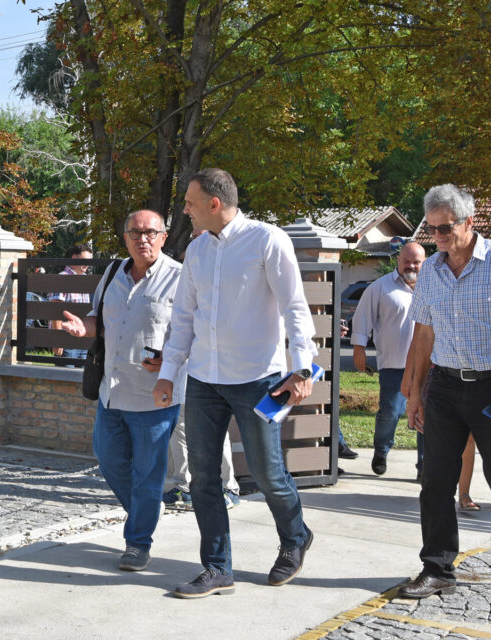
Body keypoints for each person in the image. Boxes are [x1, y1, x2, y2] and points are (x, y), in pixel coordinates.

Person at [153, 168, 317, 598]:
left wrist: (302, 369)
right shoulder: (195, 250)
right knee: (203, 478)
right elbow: (184, 318)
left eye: (189, 203)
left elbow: (296, 308)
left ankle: (296, 536)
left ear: (213, 203)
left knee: (267, 473)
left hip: (258, 380)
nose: (184, 210)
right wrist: (169, 373)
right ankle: (217, 567)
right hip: (204, 380)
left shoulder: (267, 240)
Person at [397, 184, 491, 599]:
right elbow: (424, 334)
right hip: (444, 387)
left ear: (468, 222)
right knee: (435, 482)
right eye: (431, 231)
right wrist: (414, 394)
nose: (438, 238)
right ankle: (438, 567)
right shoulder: (430, 269)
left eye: (445, 229)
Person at [57, 210, 183, 572]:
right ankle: (147, 511)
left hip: (155, 393)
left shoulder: (180, 278)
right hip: (112, 389)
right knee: (109, 459)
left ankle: (138, 542)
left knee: (148, 472)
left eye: (150, 232)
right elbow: (100, 319)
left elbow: (193, 333)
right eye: (134, 233)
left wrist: (169, 360)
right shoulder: (113, 273)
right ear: (125, 237)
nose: (142, 239)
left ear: (163, 236)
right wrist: (85, 329)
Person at [161, 228, 241, 512]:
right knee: (180, 429)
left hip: (206, 369)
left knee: (208, 431)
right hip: (182, 366)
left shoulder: (218, 284)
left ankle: (222, 486)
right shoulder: (183, 278)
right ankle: (182, 484)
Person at [350, 242, 426, 476]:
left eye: (416, 262)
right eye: (406, 261)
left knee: (426, 414)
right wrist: (359, 348)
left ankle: (424, 464)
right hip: (394, 364)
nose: (411, 265)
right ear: (398, 260)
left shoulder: (434, 286)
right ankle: (381, 450)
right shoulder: (381, 287)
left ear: (424, 262)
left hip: (428, 365)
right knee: (391, 412)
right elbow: (363, 317)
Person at [50, 244, 94, 363]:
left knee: (82, 379)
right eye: (85, 260)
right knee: (64, 379)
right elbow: (55, 309)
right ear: (74, 258)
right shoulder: (63, 278)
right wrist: (58, 340)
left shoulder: (85, 279)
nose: (88, 265)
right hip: (66, 340)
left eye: (90, 261)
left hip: (83, 340)